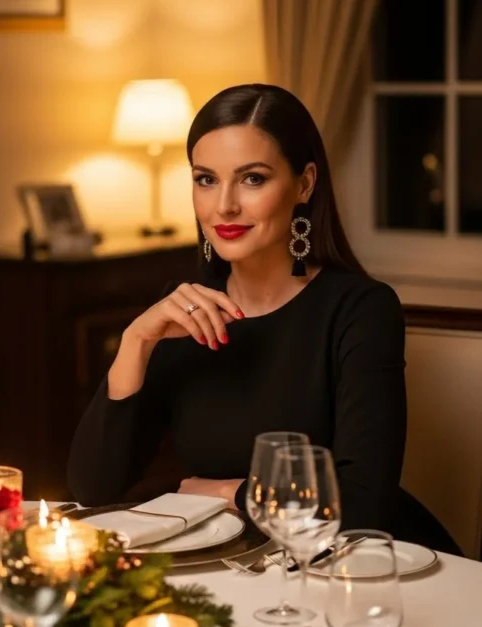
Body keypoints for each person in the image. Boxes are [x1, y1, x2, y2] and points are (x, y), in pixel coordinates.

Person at [68, 83, 460, 553]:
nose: (224, 205)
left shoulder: (361, 310)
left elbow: (362, 505)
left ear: (305, 184)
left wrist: (225, 491)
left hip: (366, 572)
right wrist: (135, 343)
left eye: (252, 178)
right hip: (243, 569)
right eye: (206, 179)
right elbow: (93, 488)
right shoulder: (185, 309)